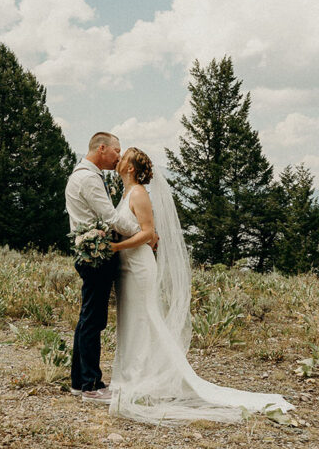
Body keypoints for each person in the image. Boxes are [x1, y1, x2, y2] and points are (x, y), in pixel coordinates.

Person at [107, 147, 293, 423]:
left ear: (131, 168)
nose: (118, 159)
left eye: (123, 158)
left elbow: (148, 233)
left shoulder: (138, 194)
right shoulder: (125, 193)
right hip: (126, 266)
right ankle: (132, 374)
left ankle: (146, 376)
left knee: (146, 317)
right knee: (132, 319)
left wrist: (116, 246)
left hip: (139, 266)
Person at [65, 132, 144, 403]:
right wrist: (144, 234)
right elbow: (110, 218)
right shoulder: (88, 178)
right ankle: (90, 385)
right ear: (102, 148)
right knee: (93, 320)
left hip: (90, 255)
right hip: (95, 258)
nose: (119, 157)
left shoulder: (85, 174)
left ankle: (80, 381)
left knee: (89, 318)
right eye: (116, 151)